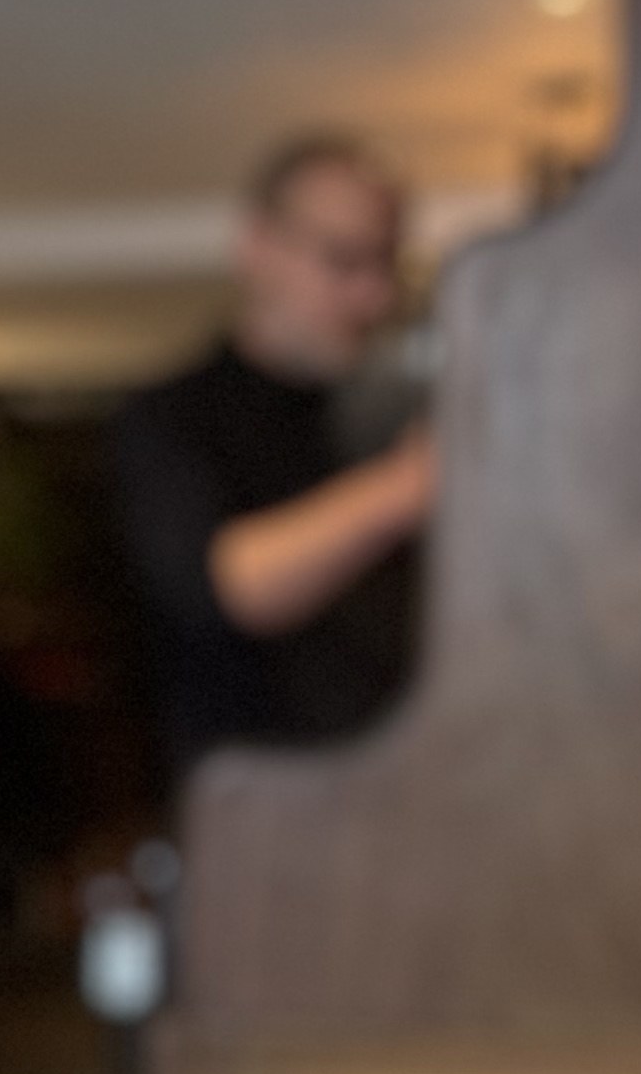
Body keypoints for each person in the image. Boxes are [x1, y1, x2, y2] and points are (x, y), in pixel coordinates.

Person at [111, 132, 436, 779]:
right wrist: (406, 487)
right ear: (258, 246)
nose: (375, 295)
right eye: (344, 260)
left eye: (386, 265)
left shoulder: (383, 416)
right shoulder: (173, 414)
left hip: (410, 789)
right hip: (264, 808)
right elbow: (229, 586)